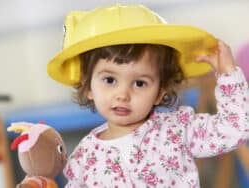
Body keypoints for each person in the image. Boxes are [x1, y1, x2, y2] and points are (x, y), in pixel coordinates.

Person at [47, 4, 249, 188]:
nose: (122, 95)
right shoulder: (84, 158)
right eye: (109, 80)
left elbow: (236, 128)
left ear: (160, 92)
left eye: (139, 83)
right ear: (87, 85)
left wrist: (228, 73)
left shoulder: (178, 130)